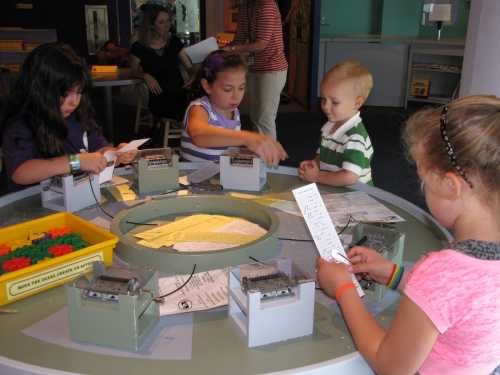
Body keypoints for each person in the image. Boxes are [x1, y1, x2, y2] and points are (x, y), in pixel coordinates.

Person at [316, 95, 500, 375]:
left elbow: (390, 365)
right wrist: (395, 275)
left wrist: (343, 289)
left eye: (423, 179)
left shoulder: (444, 272)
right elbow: (458, 306)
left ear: (451, 185)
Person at [1, 43, 136, 192]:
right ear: (41, 90)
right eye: (65, 93)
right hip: (33, 203)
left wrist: (115, 154)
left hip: (75, 196)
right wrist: (75, 162)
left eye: (79, 93)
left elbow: (98, 148)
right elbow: (20, 172)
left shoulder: (78, 115)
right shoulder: (21, 121)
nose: (74, 102)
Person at [181, 51, 287, 166]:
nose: (236, 96)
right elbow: (199, 135)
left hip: (221, 179)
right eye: (228, 89)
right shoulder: (199, 108)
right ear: (207, 86)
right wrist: (248, 138)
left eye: (241, 88)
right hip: (194, 179)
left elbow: (227, 150)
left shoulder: (234, 112)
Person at [298, 60, 374, 186]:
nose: (326, 107)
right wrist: (314, 164)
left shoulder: (355, 137)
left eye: (335, 102)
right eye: (323, 99)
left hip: (356, 197)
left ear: (357, 103)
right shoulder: (329, 127)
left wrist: (317, 176)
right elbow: (321, 155)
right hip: (335, 191)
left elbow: (349, 177)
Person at [224, 0, 288, 140]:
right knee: (255, 115)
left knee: (264, 118)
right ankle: (259, 152)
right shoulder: (246, 6)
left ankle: (270, 159)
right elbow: (240, 38)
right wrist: (222, 50)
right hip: (254, 67)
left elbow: (261, 44)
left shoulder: (267, 5)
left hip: (272, 69)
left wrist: (233, 49)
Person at [129, 3, 193, 121]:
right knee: (190, 110)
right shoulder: (139, 47)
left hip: (179, 92)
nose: (167, 25)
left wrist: (192, 76)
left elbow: (189, 66)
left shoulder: (174, 42)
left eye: (168, 21)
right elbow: (132, 71)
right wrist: (145, 75)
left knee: (198, 103)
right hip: (159, 96)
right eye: (161, 22)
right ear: (151, 25)